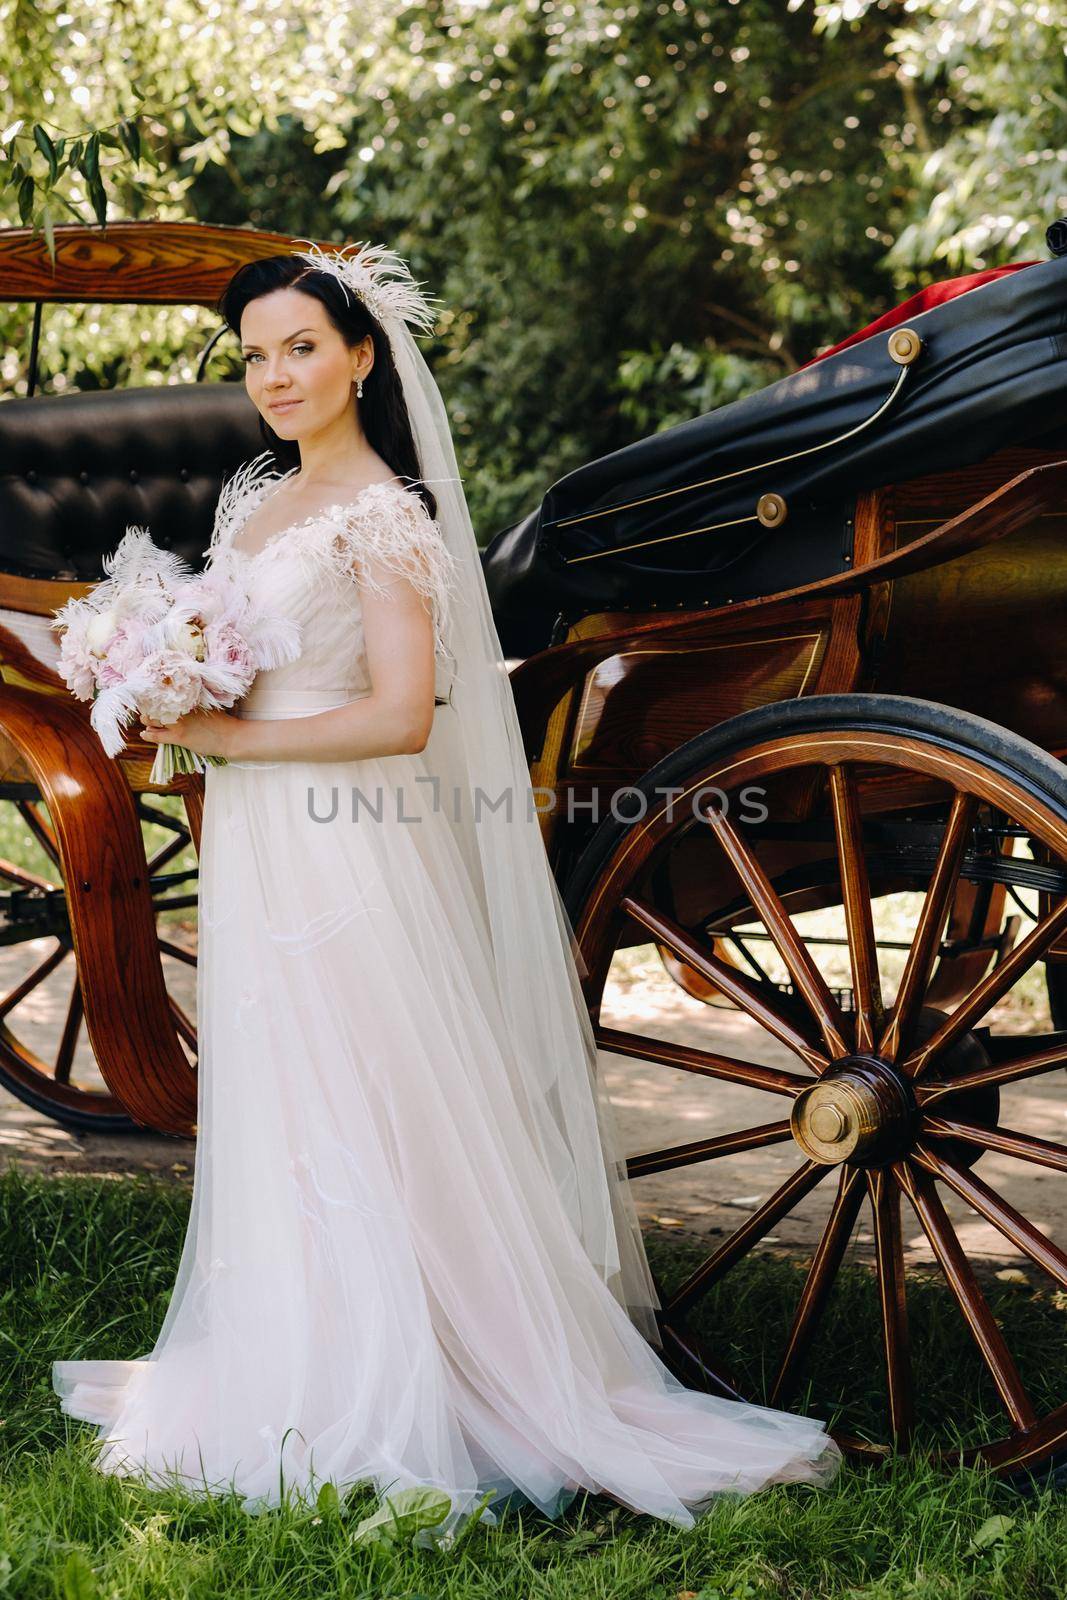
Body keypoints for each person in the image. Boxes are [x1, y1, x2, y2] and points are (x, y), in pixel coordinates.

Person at [52, 240, 842, 1546]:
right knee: (292, 1090)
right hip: (261, 838)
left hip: (350, 836)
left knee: (380, 1087)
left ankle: (452, 1372)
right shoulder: (257, 502)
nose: (276, 376)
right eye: (255, 356)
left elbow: (401, 713)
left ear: (363, 355)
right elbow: (238, 653)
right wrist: (173, 674)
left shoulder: (387, 517)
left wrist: (233, 739)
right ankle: (298, 1354)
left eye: (302, 346)